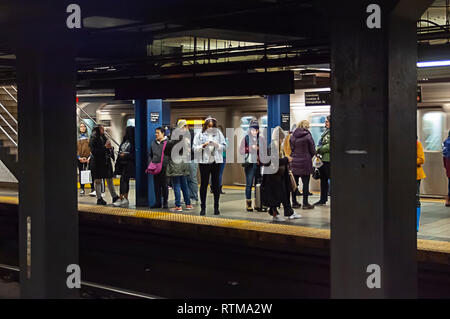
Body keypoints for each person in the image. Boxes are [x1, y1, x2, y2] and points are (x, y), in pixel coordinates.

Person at [261, 126, 301, 222]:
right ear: (278, 138)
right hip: (273, 177)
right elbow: (274, 161)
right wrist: (287, 160)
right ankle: (276, 214)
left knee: (285, 194)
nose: (282, 141)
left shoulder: (278, 148)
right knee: (276, 196)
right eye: (281, 139)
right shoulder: (272, 147)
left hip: (280, 176)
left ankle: (289, 212)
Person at [193, 115, 226, 216]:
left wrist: (217, 145)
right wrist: (203, 146)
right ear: (205, 126)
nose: (210, 128)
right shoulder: (199, 135)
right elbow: (194, 148)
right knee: (204, 184)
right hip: (204, 162)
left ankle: (216, 207)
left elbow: (224, 147)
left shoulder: (219, 134)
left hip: (216, 162)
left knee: (216, 185)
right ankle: (203, 207)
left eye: (212, 126)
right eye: (208, 126)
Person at [166, 120, 193, 212]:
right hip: (184, 163)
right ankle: (188, 204)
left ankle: (178, 205)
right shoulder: (187, 137)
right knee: (184, 184)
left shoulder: (174, 138)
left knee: (176, 184)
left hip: (175, 163)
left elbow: (167, 150)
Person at [89, 124, 119, 205]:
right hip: (97, 163)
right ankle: (99, 198)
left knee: (109, 179)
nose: (103, 130)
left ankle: (114, 196)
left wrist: (110, 148)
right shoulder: (93, 138)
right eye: (102, 129)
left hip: (105, 162)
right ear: (98, 129)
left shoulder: (104, 137)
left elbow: (107, 148)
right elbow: (94, 151)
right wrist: (105, 147)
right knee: (98, 180)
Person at [290, 120, 316, 210]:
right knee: (305, 184)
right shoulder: (308, 136)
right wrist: (308, 156)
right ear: (306, 127)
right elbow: (313, 150)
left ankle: (294, 202)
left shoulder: (292, 136)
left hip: (294, 162)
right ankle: (305, 203)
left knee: (294, 183)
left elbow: (291, 149)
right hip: (305, 162)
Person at [240, 119, 264, 212]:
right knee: (249, 184)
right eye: (253, 129)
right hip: (249, 165)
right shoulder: (246, 138)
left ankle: (258, 204)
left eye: (256, 129)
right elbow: (241, 150)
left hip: (258, 165)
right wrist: (250, 148)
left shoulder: (261, 139)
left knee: (258, 185)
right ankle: (248, 204)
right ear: (250, 130)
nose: (255, 131)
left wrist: (259, 149)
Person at [113, 126, 135, 207]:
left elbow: (134, 155)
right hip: (121, 164)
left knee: (123, 180)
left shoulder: (133, 142)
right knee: (124, 181)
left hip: (129, 164)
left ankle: (123, 198)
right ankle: (124, 198)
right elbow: (120, 151)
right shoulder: (124, 141)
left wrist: (125, 155)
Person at [149, 127, 169, 209]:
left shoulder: (168, 142)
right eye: (156, 133)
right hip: (155, 167)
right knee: (156, 185)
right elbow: (150, 154)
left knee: (164, 185)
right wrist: (151, 162)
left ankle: (165, 202)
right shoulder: (153, 143)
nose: (156, 134)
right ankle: (158, 202)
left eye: (158, 133)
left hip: (165, 167)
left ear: (163, 133)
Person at [315, 116, 331, 206]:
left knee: (328, 179)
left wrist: (320, 149)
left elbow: (329, 146)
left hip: (328, 160)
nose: (325, 123)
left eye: (327, 122)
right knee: (323, 180)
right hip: (323, 160)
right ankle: (323, 199)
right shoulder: (325, 132)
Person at [77, 122, 94, 195]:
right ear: (79, 128)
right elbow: (76, 149)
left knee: (90, 173)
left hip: (88, 159)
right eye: (81, 126)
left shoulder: (89, 138)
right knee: (81, 173)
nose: (82, 128)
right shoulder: (77, 138)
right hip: (79, 159)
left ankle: (92, 188)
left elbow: (91, 148)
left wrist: (89, 158)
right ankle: (82, 189)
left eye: (84, 126)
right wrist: (79, 158)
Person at [186, 124, 199, 205]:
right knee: (187, 179)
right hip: (186, 159)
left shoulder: (192, 135)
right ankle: (188, 197)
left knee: (192, 178)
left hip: (192, 159)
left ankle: (194, 197)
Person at [417, 138, 426, 232]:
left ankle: (416, 224)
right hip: (405, 175)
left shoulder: (417, 144)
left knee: (415, 199)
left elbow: (421, 159)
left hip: (416, 175)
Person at [443, 131, 450, 207]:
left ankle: (448, 200)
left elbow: (444, 156)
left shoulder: (445, 142)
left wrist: (446, 167)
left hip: (448, 165)